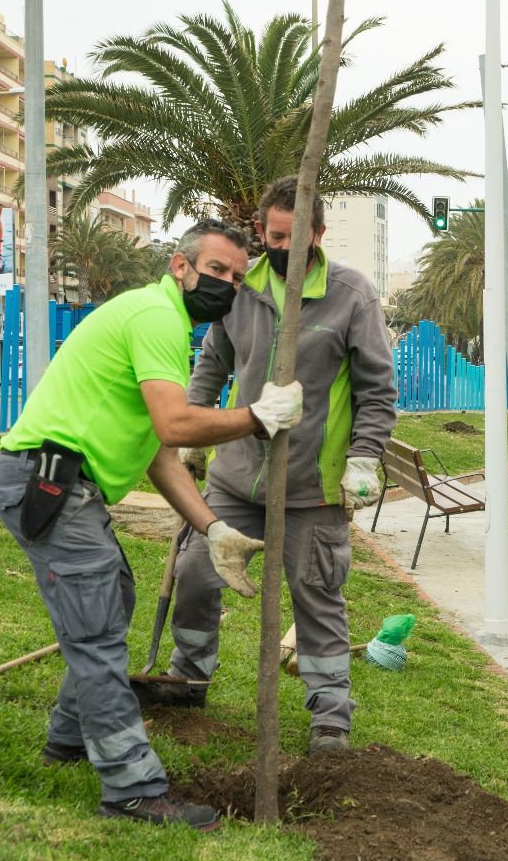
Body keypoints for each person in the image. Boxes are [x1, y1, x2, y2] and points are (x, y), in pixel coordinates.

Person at [0, 219, 304, 830]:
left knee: (112, 604)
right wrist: (257, 417)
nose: (227, 286)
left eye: (238, 278)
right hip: (51, 483)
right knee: (99, 635)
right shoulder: (156, 317)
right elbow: (176, 427)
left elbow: (157, 454)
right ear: (180, 266)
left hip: (62, 485)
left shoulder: (158, 321)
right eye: (216, 270)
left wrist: (213, 530)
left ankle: (69, 739)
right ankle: (132, 788)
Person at [156, 177, 397, 756]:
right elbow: (214, 362)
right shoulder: (241, 289)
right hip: (235, 478)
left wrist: (365, 456)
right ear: (261, 231)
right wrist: (192, 426)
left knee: (316, 594)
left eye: (297, 236)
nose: (285, 247)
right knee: (195, 574)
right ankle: (189, 679)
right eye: (275, 235)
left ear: (318, 232)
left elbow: (377, 389)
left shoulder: (351, 295)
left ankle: (331, 718)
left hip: (312, 486)